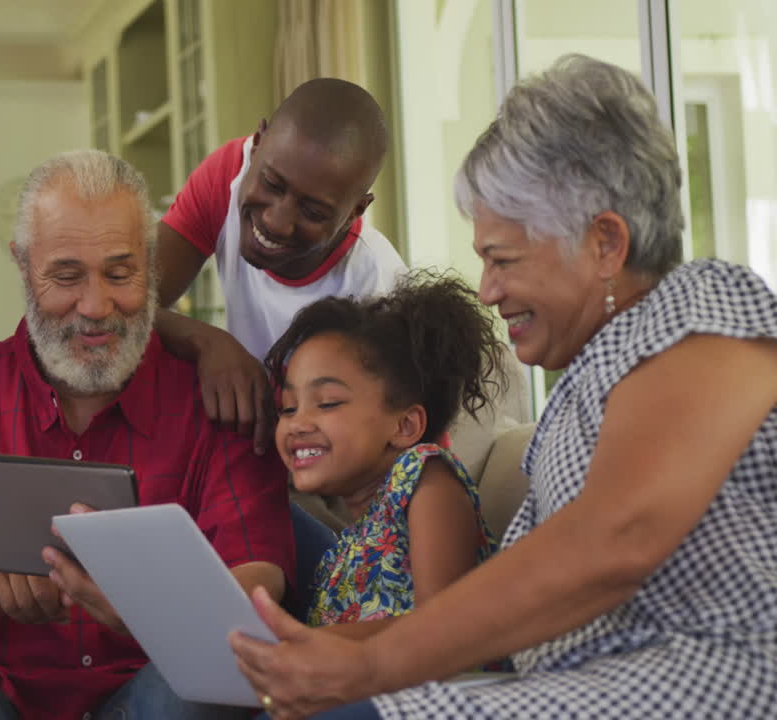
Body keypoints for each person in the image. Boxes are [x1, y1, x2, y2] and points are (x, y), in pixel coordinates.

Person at [229, 54, 777, 719]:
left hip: (694, 682)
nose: (488, 291)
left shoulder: (705, 309)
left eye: (503, 260)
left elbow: (618, 537)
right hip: (571, 685)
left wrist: (369, 664)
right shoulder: (587, 382)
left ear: (605, 243)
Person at [0, 149, 295, 720]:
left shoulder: (219, 404)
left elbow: (256, 603)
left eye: (120, 274)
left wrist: (147, 605)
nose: (95, 306)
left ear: (151, 268)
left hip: (151, 698)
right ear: (22, 265)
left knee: (193, 697)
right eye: (66, 276)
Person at [156, 78, 406, 454]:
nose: (276, 221)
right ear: (257, 144)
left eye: (313, 212)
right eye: (272, 184)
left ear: (356, 211)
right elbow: (124, 303)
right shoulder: (227, 176)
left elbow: (399, 444)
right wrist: (208, 342)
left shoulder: (375, 285)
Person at [264, 270, 503, 629]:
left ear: (405, 426)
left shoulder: (425, 479)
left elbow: (442, 629)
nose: (297, 423)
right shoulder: (346, 547)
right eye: (288, 407)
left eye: (327, 402)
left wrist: (308, 646)